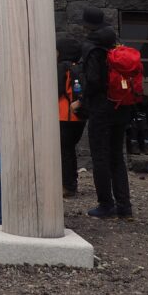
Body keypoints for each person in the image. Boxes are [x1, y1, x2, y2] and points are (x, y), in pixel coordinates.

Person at [81, 6, 133, 219]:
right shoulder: (115, 44)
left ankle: (105, 204)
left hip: (101, 108)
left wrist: (84, 99)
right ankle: (125, 206)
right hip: (121, 106)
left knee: (100, 156)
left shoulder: (92, 47)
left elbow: (93, 80)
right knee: (117, 156)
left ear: (87, 24)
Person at [56, 35, 86, 198]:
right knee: (70, 150)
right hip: (79, 116)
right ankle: (72, 182)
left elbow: (56, 90)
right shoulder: (79, 67)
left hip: (64, 115)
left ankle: (67, 186)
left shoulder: (62, 67)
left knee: (64, 151)